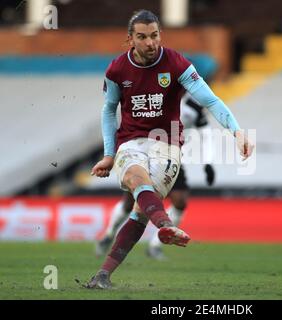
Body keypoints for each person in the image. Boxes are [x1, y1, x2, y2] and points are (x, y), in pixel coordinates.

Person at [86, 9, 254, 289]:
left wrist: (237, 131)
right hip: (130, 141)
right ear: (130, 39)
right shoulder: (117, 70)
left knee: (140, 213)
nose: (150, 43)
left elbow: (210, 101)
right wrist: (108, 153)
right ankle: (165, 225)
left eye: (154, 36)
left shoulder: (176, 64)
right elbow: (109, 110)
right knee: (136, 177)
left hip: (168, 146)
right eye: (142, 37)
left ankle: (102, 276)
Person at [95, 92, 216, 260]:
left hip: (170, 157)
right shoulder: (154, 97)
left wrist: (208, 163)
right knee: (130, 202)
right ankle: (109, 234)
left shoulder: (193, 108)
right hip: (143, 154)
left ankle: (154, 246)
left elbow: (206, 133)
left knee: (180, 201)